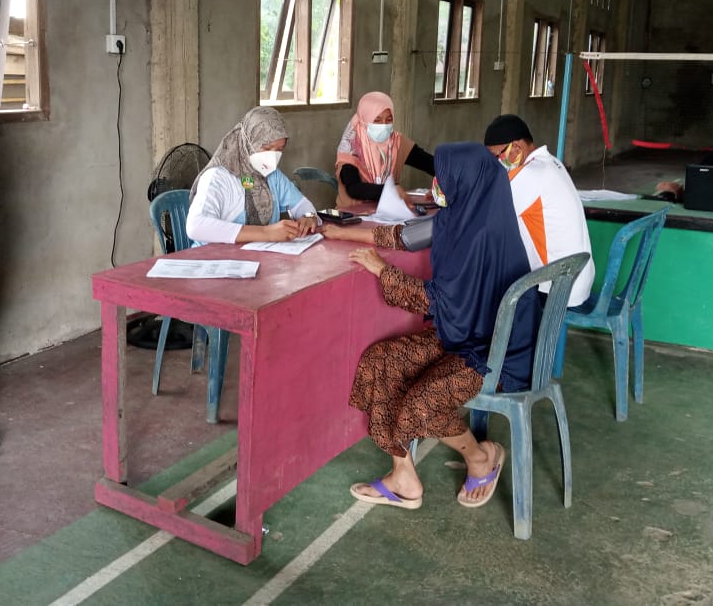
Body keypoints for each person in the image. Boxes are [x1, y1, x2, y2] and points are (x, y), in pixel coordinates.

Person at [321, 143, 542, 509]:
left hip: (493, 351)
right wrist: (340, 233)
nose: (436, 184)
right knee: (381, 360)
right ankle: (403, 475)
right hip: (464, 331)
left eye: (442, 177)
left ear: (464, 182)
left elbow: (435, 302)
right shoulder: (466, 216)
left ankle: (480, 457)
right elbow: (403, 236)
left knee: (421, 405)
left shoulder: (481, 236)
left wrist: (384, 271)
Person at [483, 114, 596, 308]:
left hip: (559, 288)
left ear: (516, 147)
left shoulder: (530, 174)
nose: (495, 163)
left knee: (487, 292)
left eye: (496, 156)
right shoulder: (551, 163)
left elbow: (486, 214)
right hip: (576, 279)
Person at [186, 106, 319, 244]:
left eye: (279, 150)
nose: (273, 156)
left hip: (257, 254)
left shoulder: (273, 176)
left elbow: (302, 205)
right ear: (247, 142)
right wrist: (266, 233)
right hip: (213, 256)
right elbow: (196, 226)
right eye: (266, 148)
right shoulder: (217, 177)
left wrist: (309, 217)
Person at [335, 91, 435, 208]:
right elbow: (354, 188)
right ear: (364, 119)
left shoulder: (396, 142)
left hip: (388, 211)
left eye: (389, 120)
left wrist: (440, 186)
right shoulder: (351, 146)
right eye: (377, 120)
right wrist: (389, 190)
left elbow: (430, 164)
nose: (383, 125)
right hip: (353, 213)